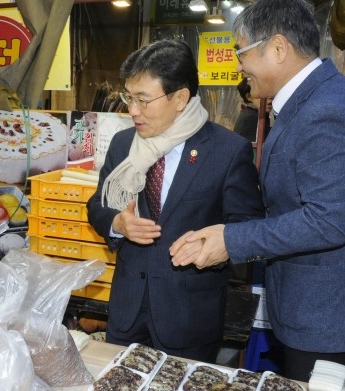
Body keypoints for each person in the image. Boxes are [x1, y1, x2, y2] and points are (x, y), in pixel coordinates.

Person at [170, 0, 345, 387]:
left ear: (278, 48)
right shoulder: (308, 103)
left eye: (242, 51)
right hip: (314, 303)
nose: (238, 64)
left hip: (330, 314)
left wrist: (231, 239)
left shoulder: (327, 111)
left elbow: (328, 221)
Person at [86, 39, 264, 363]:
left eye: (143, 100)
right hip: (126, 313)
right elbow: (97, 204)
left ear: (180, 97)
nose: (132, 110)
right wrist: (116, 223)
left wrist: (217, 247)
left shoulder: (226, 151)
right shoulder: (124, 143)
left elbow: (248, 226)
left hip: (188, 319)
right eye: (129, 97)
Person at [233, 77, 272, 142]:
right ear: (248, 96)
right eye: (263, 93)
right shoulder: (252, 117)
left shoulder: (256, 114)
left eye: (271, 93)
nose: (270, 98)